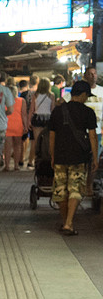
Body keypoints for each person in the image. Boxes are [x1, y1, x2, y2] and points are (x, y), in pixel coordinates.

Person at [49, 80, 98, 236]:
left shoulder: (57, 111)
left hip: (60, 156)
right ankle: (69, 223)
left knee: (60, 191)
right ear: (83, 94)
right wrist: (95, 158)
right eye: (87, 96)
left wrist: (52, 155)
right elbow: (92, 137)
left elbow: (51, 136)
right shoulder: (88, 112)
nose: (87, 99)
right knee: (75, 190)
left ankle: (66, 222)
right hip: (79, 157)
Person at [28, 77, 54, 169]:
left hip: (37, 118)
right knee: (48, 141)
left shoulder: (35, 95)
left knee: (37, 141)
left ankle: (35, 160)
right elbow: (53, 109)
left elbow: (32, 109)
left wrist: (29, 121)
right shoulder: (51, 96)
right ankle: (47, 159)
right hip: (48, 119)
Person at [4, 80, 29, 173]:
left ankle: (7, 166)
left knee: (7, 147)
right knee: (17, 146)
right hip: (18, 125)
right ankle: (16, 166)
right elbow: (24, 115)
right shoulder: (21, 101)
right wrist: (25, 126)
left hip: (7, 125)